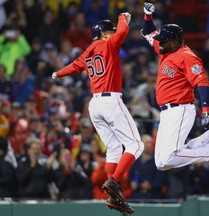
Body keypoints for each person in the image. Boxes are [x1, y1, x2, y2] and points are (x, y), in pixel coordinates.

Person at [51, 12, 144, 214]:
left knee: (113, 148)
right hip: (111, 100)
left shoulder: (88, 52)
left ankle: (113, 195)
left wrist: (58, 73)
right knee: (136, 144)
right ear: (103, 34)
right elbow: (123, 32)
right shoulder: (108, 45)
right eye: (109, 32)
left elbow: (74, 67)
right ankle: (114, 182)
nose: (112, 34)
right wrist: (123, 17)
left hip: (94, 104)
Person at [141, 3, 209, 172]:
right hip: (167, 111)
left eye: (164, 40)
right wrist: (147, 16)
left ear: (175, 41)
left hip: (181, 109)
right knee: (161, 163)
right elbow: (149, 32)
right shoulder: (166, 49)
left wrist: (206, 112)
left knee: (169, 157)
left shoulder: (188, 57)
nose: (160, 42)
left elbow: (202, 83)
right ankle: (206, 139)